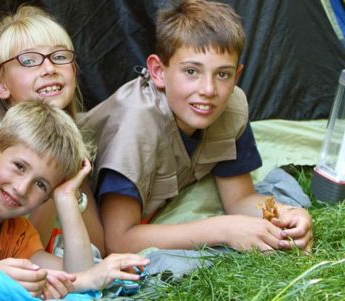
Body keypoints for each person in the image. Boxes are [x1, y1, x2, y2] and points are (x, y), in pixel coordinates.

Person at [80, 0, 314, 254]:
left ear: (236, 76)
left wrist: (289, 213)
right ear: (158, 71)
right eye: (191, 71)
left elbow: (239, 199)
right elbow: (118, 242)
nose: (208, 90)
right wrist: (225, 230)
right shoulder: (135, 128)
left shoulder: (230, 105)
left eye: (223, 74)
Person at [0, 101, 149, 299]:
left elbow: (76, 274)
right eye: (19, 167)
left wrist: (66, 196)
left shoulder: (18, 230)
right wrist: (87, 279)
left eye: (41, 185)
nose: (21, 189)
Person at [0, 5, 105, 254]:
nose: (49, 68)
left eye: (60, 57)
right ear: (0, 85)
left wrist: (67, 193)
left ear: (74, 72)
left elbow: (98, 245)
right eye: (29, 61)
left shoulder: (66, 144)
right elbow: (25, 252)